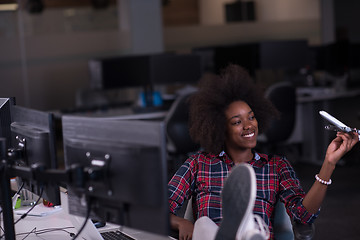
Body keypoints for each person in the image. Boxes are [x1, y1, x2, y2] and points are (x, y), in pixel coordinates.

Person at [167, 64, 359, 240]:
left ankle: (245, 231)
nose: (249, 125)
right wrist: (181, 222)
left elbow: (304, 215)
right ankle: (224, 231)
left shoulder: (276, 166)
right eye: (237, 122)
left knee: (218, 229)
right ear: (219, 128)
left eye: (251, 117)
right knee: (204, 226)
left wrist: (329, 163)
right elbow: (161, 208)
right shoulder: (198, 163)